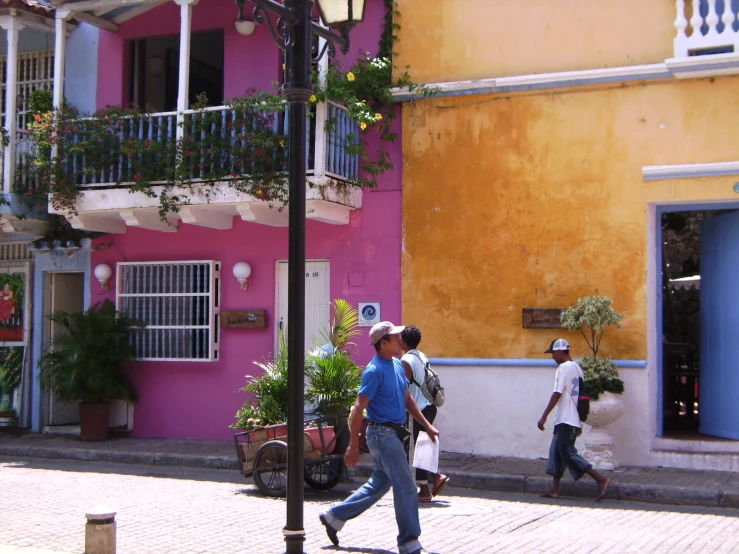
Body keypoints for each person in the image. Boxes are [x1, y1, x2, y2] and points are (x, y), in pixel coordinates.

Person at [320, 321, 439, 554]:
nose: (400, 340)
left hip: (393, 433)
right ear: (383, 343)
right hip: (382, 435)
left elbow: (408, 399)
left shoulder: (395, 364)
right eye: (395, 337)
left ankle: (334, 516)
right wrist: (353, 445)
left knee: (379, 483)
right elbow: (357, 408)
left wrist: (426, 425)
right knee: (406, 487)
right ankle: (408, 541)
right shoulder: (373, 371)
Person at [538, 338, 611, 501]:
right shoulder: (577, 368)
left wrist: (544, 416)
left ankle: (601, 479)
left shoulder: (564, 368)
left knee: (567, 452)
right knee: (556, 453)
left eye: (553, 353)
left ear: (559, 351)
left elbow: (557, 393)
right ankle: (554, 490)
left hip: (566, 419)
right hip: (570, 418)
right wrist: (579, 421)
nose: (552, 358)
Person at [400, 325, 450, 503]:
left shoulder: (406, 360)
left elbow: (403, 386)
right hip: (430, 405)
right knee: (424, 446)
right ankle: (435, 477)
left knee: (418, 449)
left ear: (403, 341)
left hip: (418, 408)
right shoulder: (422, 356)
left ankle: (424, 489)